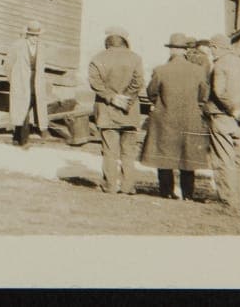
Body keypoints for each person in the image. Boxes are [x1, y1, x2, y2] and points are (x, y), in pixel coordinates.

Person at [140, 33, 210, 200]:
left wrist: (161, 103)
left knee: (164, 156)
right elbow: (204, 96)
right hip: (190, 119)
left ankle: (167, 192)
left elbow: (151, 92)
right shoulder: (199, 71)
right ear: (186, 50)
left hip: (165, 118)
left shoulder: (161, 70)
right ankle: (188, 194)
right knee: (188, 157)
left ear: (171, 50)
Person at [86, 26, 145, 194]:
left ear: (107, 41)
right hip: (129, 111)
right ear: (125, 41)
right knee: (128, 152)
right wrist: (125, 98)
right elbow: (138, 82)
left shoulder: (97, 59)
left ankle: (110, 185)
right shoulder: (136, 58)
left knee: (109, 151)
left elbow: (95, 84)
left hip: (107, 112)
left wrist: (112, 98)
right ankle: (128, 186)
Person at [206, 33, 240, 209]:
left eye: (211, 49)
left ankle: (226, 199)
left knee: (222, 159)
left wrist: (233, 109)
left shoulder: (219, 65)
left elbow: (219, 92)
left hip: (223, 116)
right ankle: (237, 199)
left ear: (216, 47)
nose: (211, 52)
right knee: (238, 160)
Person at [6, 19, 49, 147]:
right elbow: (8, 64)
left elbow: (42, 66)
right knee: (22, 108)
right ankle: (23, 140)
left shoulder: (42, 47)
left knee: (31, 107)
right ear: (27, 34)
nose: (35, 38)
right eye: (32, 35)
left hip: (36, 82)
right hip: (21, 82)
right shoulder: (17, 46)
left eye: (37, 36)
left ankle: (18, 134)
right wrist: (13, 81)